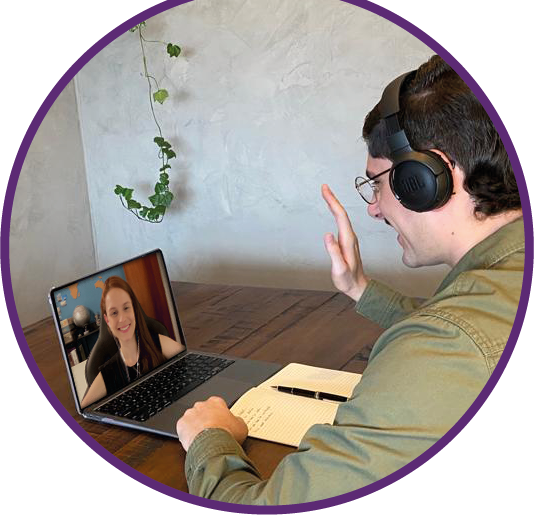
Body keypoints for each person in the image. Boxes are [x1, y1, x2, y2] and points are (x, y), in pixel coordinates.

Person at [175, 55, 524, 504]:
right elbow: (464, 327)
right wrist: (360, 288)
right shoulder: (499, 285)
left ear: (427, 177)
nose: (374, 208)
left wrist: (209, 438)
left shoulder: (445, 346)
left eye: (377, 184)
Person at [81, 276, 184, 408]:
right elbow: (83, 410)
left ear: (134, 309)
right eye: (114, 313)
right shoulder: (107, 373)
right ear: (107, 321)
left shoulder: (159, 343)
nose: (122, 319)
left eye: (126, 308)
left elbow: (189, 360)